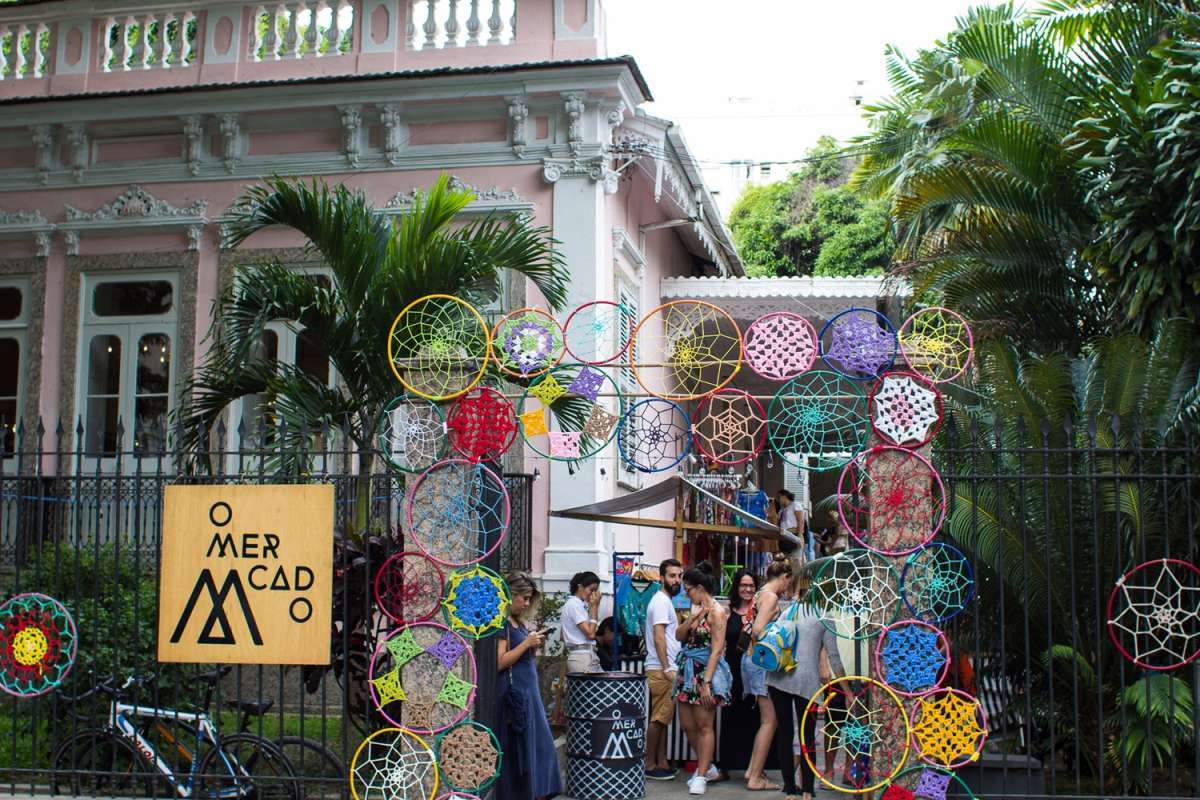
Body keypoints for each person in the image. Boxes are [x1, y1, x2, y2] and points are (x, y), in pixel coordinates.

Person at [766, 576, 845, 800]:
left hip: (778, 677)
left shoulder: (789, 610)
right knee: (807, 736)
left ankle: (790, 789)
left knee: (785, 733)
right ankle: (808, 790)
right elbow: (835, 658)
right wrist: (846, 689)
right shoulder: (825, 615)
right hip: (806, 681)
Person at [496, 573, 562, 800]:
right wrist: (526, 643)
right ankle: (528, 792)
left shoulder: (518, 623)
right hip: (516, 692)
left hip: (529, 691)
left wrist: (531, 646)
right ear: (510, 595)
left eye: (528, 599)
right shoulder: (502, 623)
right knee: (525, 744)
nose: (526, 603)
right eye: (523, 598)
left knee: (540, 744)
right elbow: (499, 662)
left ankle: (538, 791)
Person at [674, 563, 731, 796]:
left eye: (687, 589)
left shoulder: (718, 612)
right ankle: (707, 768)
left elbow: (717, 650)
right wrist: (691, 619)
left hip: (704, 671)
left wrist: (706, 682)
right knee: (687, 725)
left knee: (704, 725)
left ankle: (701, 774)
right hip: (687, 670)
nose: (685, 594)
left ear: (699, 587)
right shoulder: (695, 607)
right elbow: (679, 635)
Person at [741, 555, 795, 792]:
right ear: (784, 577)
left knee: (766, 720)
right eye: (788, 582)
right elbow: (758, 629)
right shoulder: (771, 596)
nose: (787, 588)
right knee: (769, 721)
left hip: (750, 660)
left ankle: (753, 770)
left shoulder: (761, 592)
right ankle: (754, 778)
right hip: (761, 662)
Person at [714, 569, 757, 784]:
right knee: (730, 719)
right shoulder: (727, 611)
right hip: (732, 671)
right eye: (743, 585)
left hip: (754, 671)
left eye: (751, 585)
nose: (747, 589)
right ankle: (726, 766)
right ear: (737, 587)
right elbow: (720, 644)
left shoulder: (760, 610)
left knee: (754, 719)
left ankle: (755, 767)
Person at [643, 559, 683, 781]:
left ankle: (661, 762)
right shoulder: (660, 601)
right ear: (661, 577)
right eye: (671, 576)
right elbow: (659, 636)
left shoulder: (664, 601)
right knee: (658, 719)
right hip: (661, 669)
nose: (676, 580)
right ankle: (650, 764)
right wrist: (667, 666)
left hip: (664, 667)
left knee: (663, 718)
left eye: (679, 576)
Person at [561, 571, 602, 673]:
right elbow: (591, 634)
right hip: (582, 657)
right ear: (580, 587)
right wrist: (594, 607)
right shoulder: (574, 605)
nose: (593, 594)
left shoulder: (578, 605)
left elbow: (562, 636)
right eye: (591, 590)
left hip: (585, 655)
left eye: (595, 591)